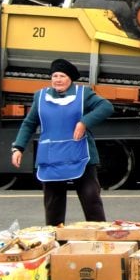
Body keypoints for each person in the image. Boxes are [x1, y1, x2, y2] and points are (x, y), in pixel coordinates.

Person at [11, 58, 114, 226]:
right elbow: (29, 123)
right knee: (53, 204)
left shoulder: (83, 94)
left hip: (81, 156)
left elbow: (106, 107)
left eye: (62, 76)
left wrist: (84, 122)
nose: (58, 79)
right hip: (52, 157)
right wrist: (18, 148)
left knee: (91, 199)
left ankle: (99, 238)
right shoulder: (41, 97)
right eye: (55, 76)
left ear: (70, 79)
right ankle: (55, 241)